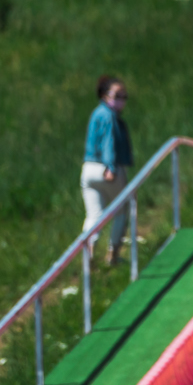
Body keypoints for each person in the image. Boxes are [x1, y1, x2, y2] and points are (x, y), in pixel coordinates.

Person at [82, 76, 136, 266]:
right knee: (122, 209)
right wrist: (111, 167)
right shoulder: (108, 116)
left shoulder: (96, 113)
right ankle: (113, 254)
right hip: (106, 168)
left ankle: (87, 254)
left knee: (94, 215)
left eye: (124, 96)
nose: (121, 99)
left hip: (88, 169)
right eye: (117, 95)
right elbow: (108, 142)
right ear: (105, 96)